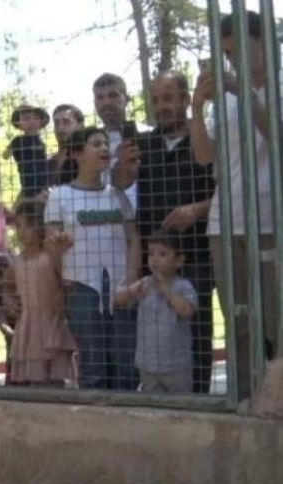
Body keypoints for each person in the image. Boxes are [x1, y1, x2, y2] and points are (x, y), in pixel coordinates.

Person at [191, 10, 282, 401]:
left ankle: (276, 401)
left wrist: (243, 89)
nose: (231, 61)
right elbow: (204, 156)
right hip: (225, 225)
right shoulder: (223, 101)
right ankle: (245, 399)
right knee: (239, 320)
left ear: (263, 42)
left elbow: (276, 137)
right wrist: (196, 106)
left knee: (278, 321)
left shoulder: (275, 86)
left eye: (238, 51)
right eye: (226, 54)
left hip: (271, 219)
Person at [115, 70, 216, 394]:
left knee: (197, 332)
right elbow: (120, 182)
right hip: (155, 258)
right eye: (156, 100)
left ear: (186, 100)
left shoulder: (206, 138)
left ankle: (199, 403)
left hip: (197, 254)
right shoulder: (144, 144)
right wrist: (124, 166)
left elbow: (230, 192)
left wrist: (196, 209)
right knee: (154, 330)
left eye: (169, 98)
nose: (163, 106)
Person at [44, 127, 141, 390]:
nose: (104, 149)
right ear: (76, 153)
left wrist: (131, 283)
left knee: (126, 363)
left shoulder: (118, 196)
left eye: (106, 144)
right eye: (96, 144)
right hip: (81, 286)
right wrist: (59, 253)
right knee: (93, 363)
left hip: (121, 287)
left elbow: (133, 240)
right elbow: (51, 245)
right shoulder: (59, 196)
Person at [2, 201, 76, 387]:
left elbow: (67, 282)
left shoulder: (50, 256)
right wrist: (8, 299)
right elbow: (7, 286)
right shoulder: (16, 262)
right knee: (33, 379)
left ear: (41, 225)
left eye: (28, 224)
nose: (22, 230)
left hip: (51, 324)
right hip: (27, 325)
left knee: (54, 380)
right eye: (18, 225)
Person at [116, 230, 198, 394]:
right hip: (148, 365)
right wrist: (131, 291)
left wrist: (168, 292)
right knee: (153, 408)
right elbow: (118, 300)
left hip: (177, 366)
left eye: (163, 254)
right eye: (151, 253)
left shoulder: (184, 286)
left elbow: (188, 311)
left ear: (179, 261)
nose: (154, 259)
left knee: (181, 407)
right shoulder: (145, 283)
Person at [92, 73, 142, 209]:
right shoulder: (89, 143)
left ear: (126, 99)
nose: (106, 102)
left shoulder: (146, 134)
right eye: (100, 97)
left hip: (142, 215)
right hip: (100, 216)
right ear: (95, 103)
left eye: (113, 95)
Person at [3, 103, 50, 197]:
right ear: (18, 123)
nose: (31, 122)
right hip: (28, 183)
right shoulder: (18, 141)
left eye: (35, 118)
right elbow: (5, 155)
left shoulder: (41, 142)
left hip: (44, 183)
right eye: (26, 119)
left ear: (41, 122)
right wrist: (13, 149)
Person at [47, 103, 86, 188]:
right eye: (56, 123)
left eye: (66, 122)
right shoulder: (47, 163)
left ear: (80, 125)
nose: (60, 128)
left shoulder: (88, 158)